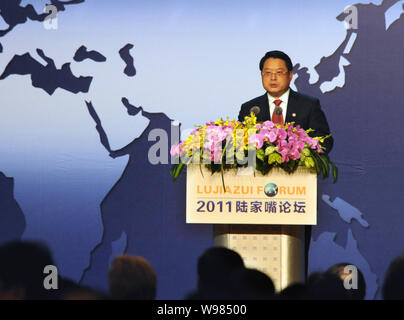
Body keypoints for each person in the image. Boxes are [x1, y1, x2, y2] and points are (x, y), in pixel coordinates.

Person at [238, 50, 334, 279]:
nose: (272, 78)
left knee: (295, 255)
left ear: (290, 75)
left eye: (279, 73)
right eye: (267, 73)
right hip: (257, 195)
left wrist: (301, 148)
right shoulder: (250, 108)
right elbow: (241, 148)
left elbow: (325, 140)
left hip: (296, 193)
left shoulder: (308, 105)